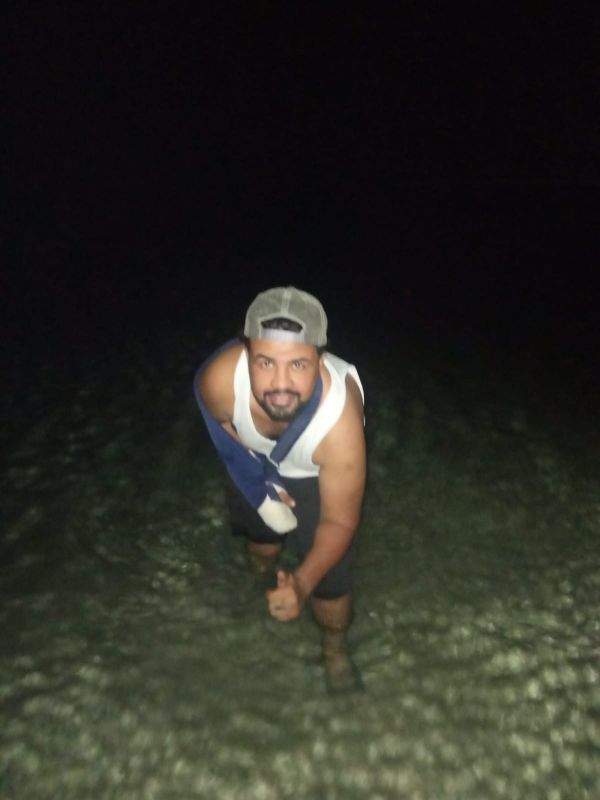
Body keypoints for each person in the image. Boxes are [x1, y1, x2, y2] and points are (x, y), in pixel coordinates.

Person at [194, 286, 366, 690]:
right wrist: (258, 478)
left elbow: (340, 522)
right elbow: (221, 426)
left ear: (320, 360)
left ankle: (334, 647)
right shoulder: (219, 382)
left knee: (329, 587)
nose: (280, 383)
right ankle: (256, 582)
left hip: (315, 472)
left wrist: (303, 583)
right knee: (261, 545)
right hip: (255, 462)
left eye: (298, 364)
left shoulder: (339, 428)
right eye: (265, 362)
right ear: (246, 354)